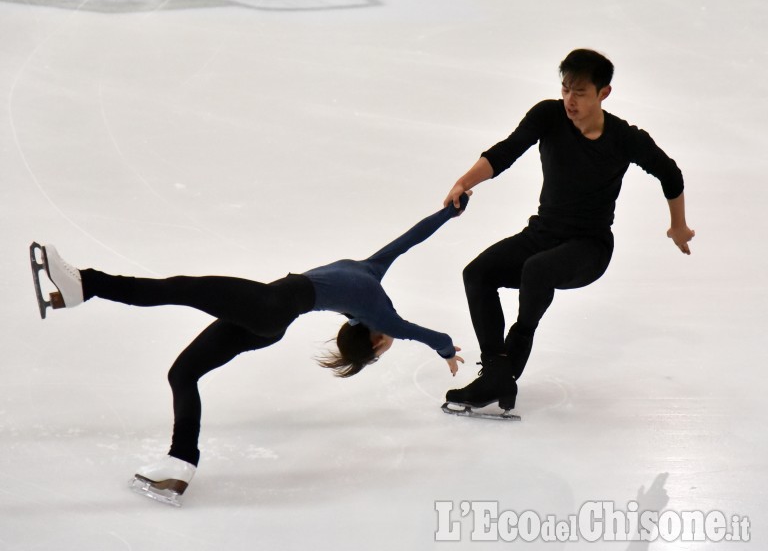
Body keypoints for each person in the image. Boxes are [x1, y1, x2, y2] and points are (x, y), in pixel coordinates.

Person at [31, 194, 468, 505]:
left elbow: (418, 332)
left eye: (384, 345)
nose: (390, 340)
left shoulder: (380, 316)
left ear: (374, 340)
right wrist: (448, 212)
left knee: (179, 288)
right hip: (269, 320)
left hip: (270, 306)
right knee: (183, 373)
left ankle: (83, 285)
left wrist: (447, 349)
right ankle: (180, 465)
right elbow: (411, 238)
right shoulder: (374, 276)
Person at [442, 49, 695, 413]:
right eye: (565, 89)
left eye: (579, 93)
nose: (569, 100)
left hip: (589, 249)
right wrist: (463, 182)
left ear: (603, 93)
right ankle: (496, 371)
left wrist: (678, 226)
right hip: (542, 233)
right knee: (477, 274)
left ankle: (514, 354)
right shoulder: (548, 116)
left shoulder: (623, 138)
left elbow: (670, 173)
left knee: (537, 269)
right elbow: (506, 151)